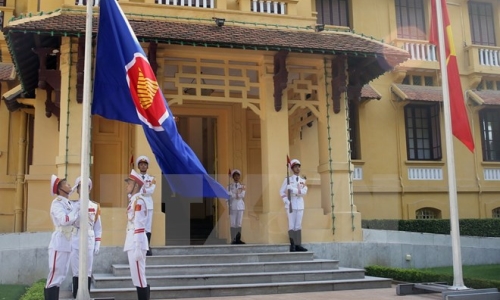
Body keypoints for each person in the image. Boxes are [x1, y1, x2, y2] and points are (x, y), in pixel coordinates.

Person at [44, 175, 80, 300]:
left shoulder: (68, 203)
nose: (69, 185)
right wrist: (76, 211)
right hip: (59, 242)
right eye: (66, 184)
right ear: (60, 189)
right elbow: (65, 220)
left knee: (61, 276)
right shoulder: (57, 203)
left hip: (67, 242)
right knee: (55, 275)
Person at [70, 177, 102, 298]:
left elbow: (98, 227)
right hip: (76, 237)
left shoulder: (95, 206)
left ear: (89, 190)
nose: (83, 190)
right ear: (77, 189)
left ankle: (85, 296)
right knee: (76, 270)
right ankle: (75, 296)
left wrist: (98, 243)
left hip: (89, 238)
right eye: (80, 187)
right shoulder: (72, 205)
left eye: (86, 187)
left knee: (87, 270)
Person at [124, 169, 150, 300]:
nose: (126, 186)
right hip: (132, 241)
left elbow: (139, 225)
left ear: (136, 186)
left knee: (140, 278)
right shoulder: (133, 201)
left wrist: (139, 247)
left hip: (136, 242)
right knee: (137, 278)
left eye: (129, 184)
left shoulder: (138, 201)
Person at [279, 159, 308, 252]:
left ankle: (298, 245)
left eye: (299, 166)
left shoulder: (302, 180)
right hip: (290, 204)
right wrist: (286, 201)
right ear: (292, 168)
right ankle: (292, 245)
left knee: (298, 225)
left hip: (299, 203)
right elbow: (281, 191)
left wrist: (293, 189)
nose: (298, 168)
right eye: (295, 166)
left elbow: (303, 192)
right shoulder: (287, 180)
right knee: (291, 225)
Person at [136, 155, 156, 256]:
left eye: (145, 164)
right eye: (141, 164)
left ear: (147, 167)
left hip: (148, 204)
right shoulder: (135, 178)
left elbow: (151, 190)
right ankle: (140, 245)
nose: (143, 166)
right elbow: (134, 190)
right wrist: (144, 191)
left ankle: (147, 246)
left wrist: (142, 190)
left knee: (148, 226)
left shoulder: (152, 178)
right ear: (138, 166)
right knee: (139, 224)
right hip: (139, 203)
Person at [228, 169, 246, 244]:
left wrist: (234, 195)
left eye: (238, 176)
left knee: (239, 223)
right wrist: (236, 195)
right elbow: (228, 195)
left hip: (240, 206)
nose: (236, 177)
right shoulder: (229, 186)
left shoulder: (242, 186)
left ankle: (238, 239)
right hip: (233, 205)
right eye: (235, 176)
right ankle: (233, 239)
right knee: (233, 223)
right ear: (233, 177)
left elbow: (242, 195)